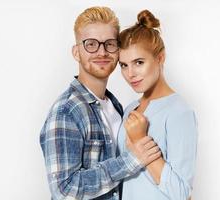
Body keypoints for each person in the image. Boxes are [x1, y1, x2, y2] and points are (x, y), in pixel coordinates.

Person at [39, 7, 161, 200]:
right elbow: (64, 190)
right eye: (91, 44)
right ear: (76, 52)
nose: (102, 52)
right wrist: (130, 160)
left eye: (110, 44)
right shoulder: (66, 111)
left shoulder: (114, 106)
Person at [117, 10, 198, 200]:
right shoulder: (130, 109)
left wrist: (140, 140)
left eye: (138, 62)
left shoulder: (180, 112)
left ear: (160, 58)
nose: (131, 74)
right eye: (124, 65)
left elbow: (181, 193)